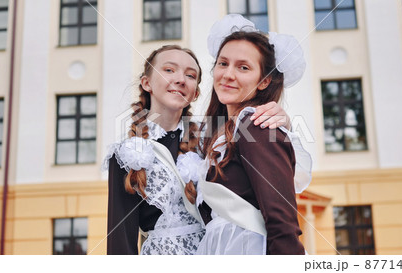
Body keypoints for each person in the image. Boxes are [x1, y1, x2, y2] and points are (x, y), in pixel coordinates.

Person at [104, 44, 293, 255]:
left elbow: (262, 180)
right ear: (146, 83)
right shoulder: (127, 153)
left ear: (195, 93)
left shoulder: (212, 143)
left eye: (191, 75)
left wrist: (283, 120)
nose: (180, 79)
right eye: (169, 70)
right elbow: (120, 244)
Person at [196, 15, 312, 255]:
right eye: (223, 63)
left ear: (264, 81)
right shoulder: (221, 134)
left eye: (243, 67)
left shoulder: (256, 125)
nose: (228, 74)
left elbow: (282, 222)